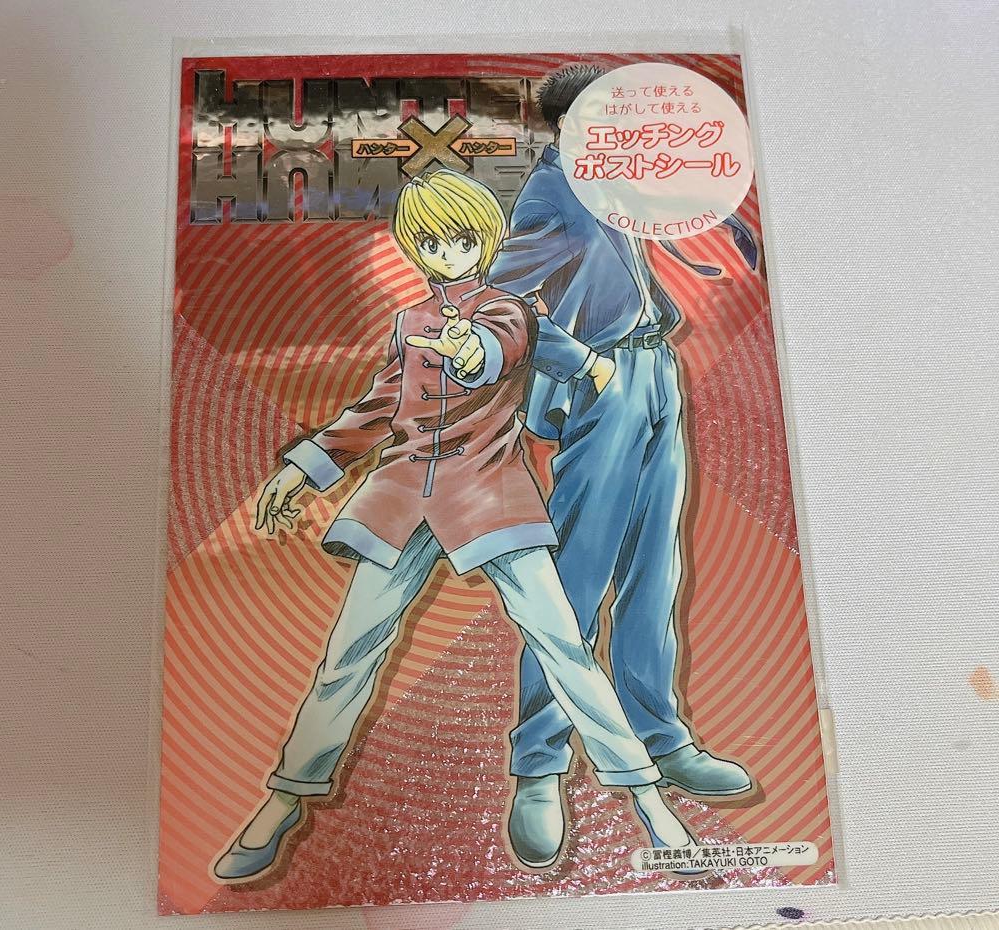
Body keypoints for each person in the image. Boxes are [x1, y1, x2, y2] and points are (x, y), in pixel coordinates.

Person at [212, 169, 703, 883]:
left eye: (463, 240)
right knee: (348, 655)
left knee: (565, 647)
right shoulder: (409, 323)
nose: (449, 255)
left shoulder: (511, 312)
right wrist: (303, 469)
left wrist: (487, 355)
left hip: (489, 498)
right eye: (434, 243)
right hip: (401, 499)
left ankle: (648, 800)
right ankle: (283, 801)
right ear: (414, 248)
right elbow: (378, 408)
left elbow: (499, 348)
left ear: (488, 241)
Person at [487, 65, 758, 869]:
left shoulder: (619, 189)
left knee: (654, 572)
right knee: (574, 582)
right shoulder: (553, 190)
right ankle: (539, 764)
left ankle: (660, 737)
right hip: (604, 384)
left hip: (657, 373)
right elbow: (499, 302)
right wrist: (581, 365)